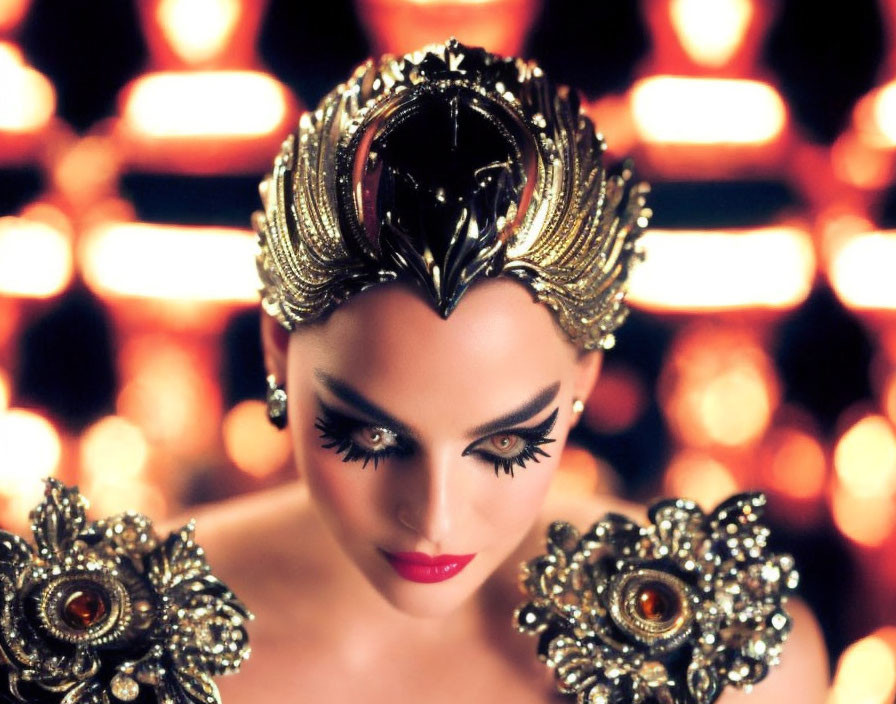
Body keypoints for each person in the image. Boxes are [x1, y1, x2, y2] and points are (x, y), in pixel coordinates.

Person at [192, 40, 829, 703]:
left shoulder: (732, 664)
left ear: (584, 375)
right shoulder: (105, 635)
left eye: (504, 445)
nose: (434, 518)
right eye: (372, 439)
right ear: (276, 348)